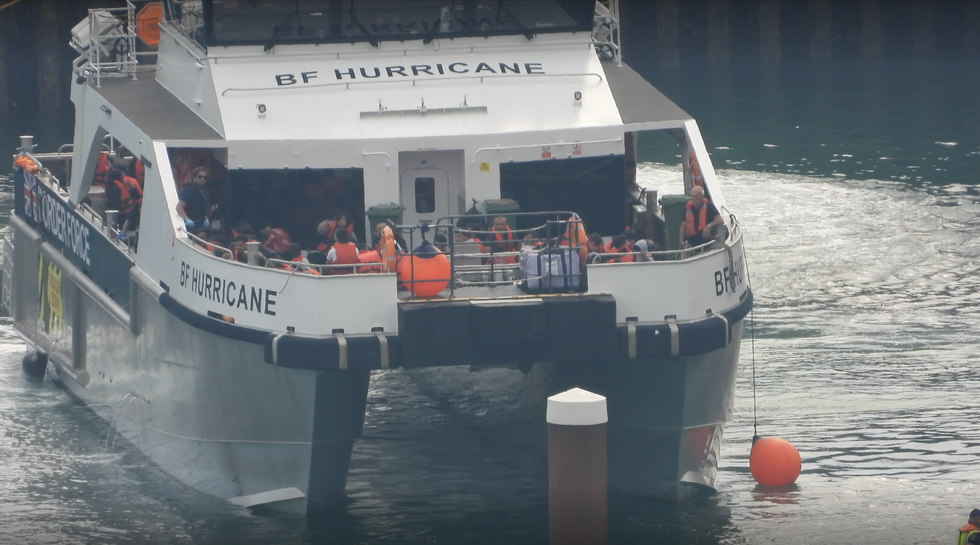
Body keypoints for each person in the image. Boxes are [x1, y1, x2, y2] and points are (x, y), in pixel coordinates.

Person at [104, 168, 143, 236]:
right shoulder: (118, 187)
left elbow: (113, 206)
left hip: (124, 216)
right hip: (128, 215)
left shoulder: (114, 188)